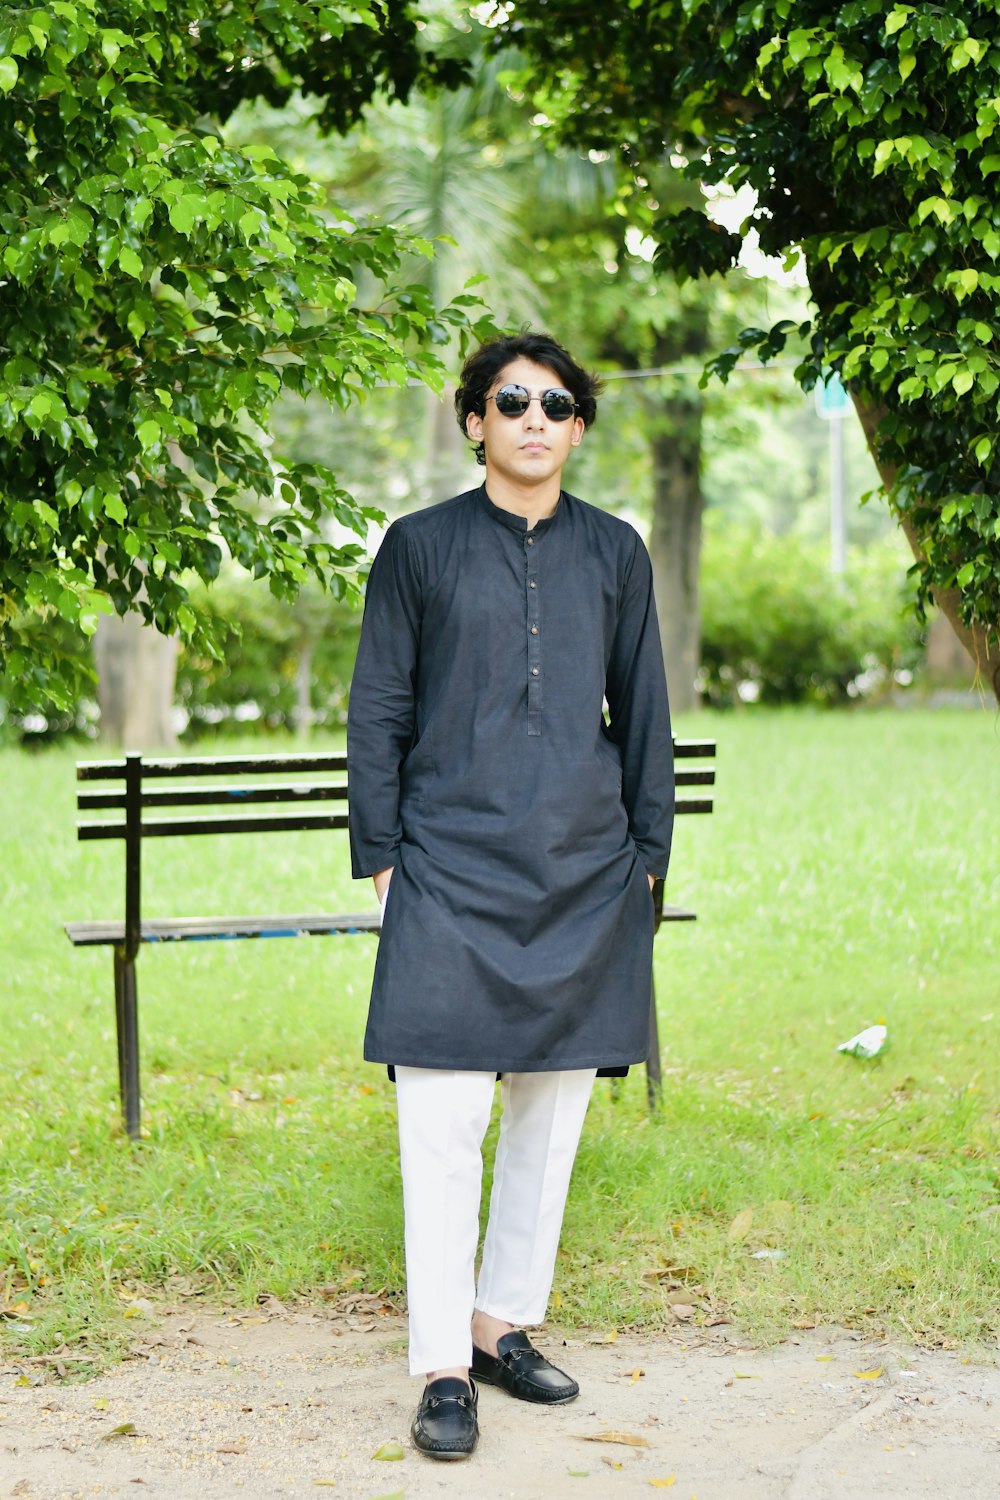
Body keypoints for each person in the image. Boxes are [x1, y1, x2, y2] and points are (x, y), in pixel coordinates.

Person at [347, 330, 674, 1460]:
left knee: (550, 1114)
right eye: (511, 401)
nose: (535, 419)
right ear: (475, 420)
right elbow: (378, 708)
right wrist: (383, 856)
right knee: (441, 1121)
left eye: (556, 404)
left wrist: (645, 860)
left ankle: (500, 1325)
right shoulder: (419, 548)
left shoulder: (615, 552)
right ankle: (442, 1363)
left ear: (578, 425)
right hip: (445, 867)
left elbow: (644, 716)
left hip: (583, 870)